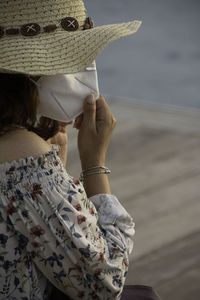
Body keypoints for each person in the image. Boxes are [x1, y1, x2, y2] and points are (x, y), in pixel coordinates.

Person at [0, 0, 161, 299]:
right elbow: (105, 281)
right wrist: (93, 162)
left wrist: (54, 169)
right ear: (30, 74)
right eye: (71, 60)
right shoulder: (24, 162)